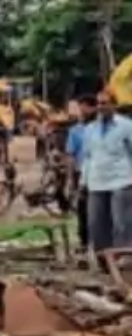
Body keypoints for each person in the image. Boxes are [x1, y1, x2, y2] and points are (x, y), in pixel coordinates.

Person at [85, 89, 132, 260]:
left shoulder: (126, 126)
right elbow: (88, 157)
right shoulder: (90, 129)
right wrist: (82, 182)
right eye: (98, 103)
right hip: (96, 182)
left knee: (121, 224)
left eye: (104, 103)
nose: (100, 107)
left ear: (114, 105)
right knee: (96, 225)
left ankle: (123, 260)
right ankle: (104, 261)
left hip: (121, 180)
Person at [66, 94, 97, 248]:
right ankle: (84, 239)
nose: (81, 111)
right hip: (81, 173)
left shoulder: (102, 127)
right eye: (80, 107)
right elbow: (71, 156)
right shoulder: (75, 131)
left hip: (100, 172)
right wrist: (71, 179)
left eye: (83, 107)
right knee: (83, 207)